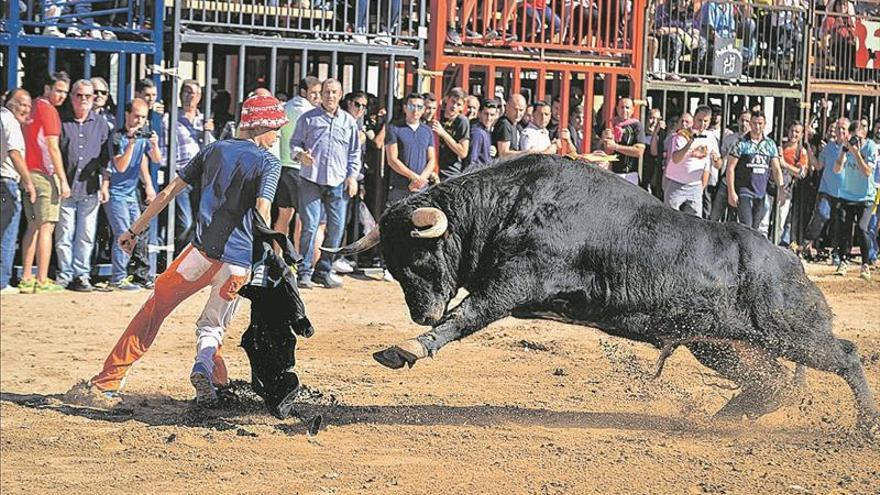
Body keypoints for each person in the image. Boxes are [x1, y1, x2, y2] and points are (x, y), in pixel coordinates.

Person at [88, 94, 287, 404]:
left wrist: (134, 230)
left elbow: (168, 191)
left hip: (199, 255)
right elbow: (263, 210)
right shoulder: (270, 163)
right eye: (277, 129)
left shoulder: (212, 150)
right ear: (262, 125)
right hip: (238, 265)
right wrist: (273, 253)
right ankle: (206, 370)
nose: (278, 137)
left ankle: (108, 380)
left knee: (155, 309)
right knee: (213, 326)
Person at [291, 79, 361, 289]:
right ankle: (304, 272)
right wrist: (300, 155)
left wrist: (352, 177)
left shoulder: (349, 122)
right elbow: (294, 143)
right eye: (326, 92)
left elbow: (354, 153)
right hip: (310, 179)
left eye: (334, 92)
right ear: (320, 95)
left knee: (337, 228)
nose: (330, 96)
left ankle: (323, 271)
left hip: (338, 181)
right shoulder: (307, 119)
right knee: (310, 227)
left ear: (340, 95)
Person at [56, 79, 110, 292]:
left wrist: (104, 185)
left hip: (90, 189)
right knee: (64, 235)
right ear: (72, 97)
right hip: (66, 187)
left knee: (86, 236)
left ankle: (81, 275)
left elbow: (106, 159)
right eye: (79, 95)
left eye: (88, 96)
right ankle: (64, 275)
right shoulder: (62, 121)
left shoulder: (101, 123)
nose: (84, 100)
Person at [20, 72, 71, 294]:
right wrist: (62, 179)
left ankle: (26, 277)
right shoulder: (48, 110)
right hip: (43, 175)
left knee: (32, 227)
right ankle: (41, 279)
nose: (61, 96)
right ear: (47, 88)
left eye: (64, 92)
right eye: (58, 90)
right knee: (46, 227)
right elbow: (52, 147)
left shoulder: (30, 106)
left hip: (27, 173)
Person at [105, 99, 161, 291]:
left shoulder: (143, 137)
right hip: (114, 193)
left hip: (130, 194)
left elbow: (155, 160)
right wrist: (131, 144)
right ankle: (117, 277)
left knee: (133, 234)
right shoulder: (117, 136)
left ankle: (124, 276)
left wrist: (154, 145)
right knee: (122, 234)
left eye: (143, 117)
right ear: (127, 114)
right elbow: (119, 167)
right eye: (136, 116)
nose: (139, 120)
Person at [162, 80, 215, 250]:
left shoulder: (204, 120)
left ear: (200, 97)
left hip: (202, 176)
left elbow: (214, 148)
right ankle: (177, 258)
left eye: (194, 93)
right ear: (179, 94)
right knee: (185, 222)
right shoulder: (170, 118)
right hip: (181, 174)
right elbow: (164, 148)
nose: (190, 96)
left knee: (201, 222)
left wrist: (208, 132)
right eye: (186, 91)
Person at [276, 76, 321, 255]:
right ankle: (297, 259)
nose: (318, 97)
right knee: (302, 219)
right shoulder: (310, 113)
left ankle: (276, 258)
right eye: (314, 93)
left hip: (282, 167)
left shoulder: (284, 108)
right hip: (300, 169)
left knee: (283, 216)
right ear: (304, 92)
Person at [130, 78, 166, 287]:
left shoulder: (153, 118)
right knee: (137, 226)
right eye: (147, 95)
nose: (151, 99)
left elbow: (156, 158)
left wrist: (155, 145)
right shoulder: (135, 116)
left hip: (141, 181)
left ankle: (141, 273)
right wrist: (148, 184)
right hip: (134, 182)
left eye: (154, 95)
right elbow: (142, 158)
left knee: (142, 226)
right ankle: (138, 273)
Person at [0, 89, 36, 295]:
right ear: (9, 102)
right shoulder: (11, 123)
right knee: (7, 234)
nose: (25, 109)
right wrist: (28, 182)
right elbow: (14, 153)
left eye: (28, 106)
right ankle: (2, 281)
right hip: (7, 183)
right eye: (21, 104)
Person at [832, 120, 877, 279]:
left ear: (864, 135)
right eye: (853, 137)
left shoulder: (871, 147)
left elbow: (867, 172)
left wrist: (856, 152)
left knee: (862, 227)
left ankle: (865, 264)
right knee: (844, 227)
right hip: (847, 194)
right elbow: (836, 169)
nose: (855, 140)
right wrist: (844, 152)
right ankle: (843, 261)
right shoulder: (846, 146)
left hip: (865, 196)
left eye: (858, 137)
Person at [726, 111, 784, 231]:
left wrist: (781, 189)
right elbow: (730, 167)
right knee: (746, 225)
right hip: (744, 190)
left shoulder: (770, 144)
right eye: (754, 123)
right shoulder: (741, 143)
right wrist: (731, 191)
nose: (757, 127)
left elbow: (776, 169)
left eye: (760, 123)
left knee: (756, 226)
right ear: (750, 124)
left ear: (765, 124)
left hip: (761, 192)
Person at [802, 117, 849, 260]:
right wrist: (809, 149)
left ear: (848, 131)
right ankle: (807, 243)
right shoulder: (828, 147)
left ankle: (837, 252)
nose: (840, 131)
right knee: (822, 214)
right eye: (838, 128)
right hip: (827, 189)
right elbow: (818, 166)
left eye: (843, 128)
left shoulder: (852, 148)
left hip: (845, 192)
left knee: (839, 222)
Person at [664, 105, 721, 217]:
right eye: (700, 120)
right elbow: (675, 159)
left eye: (706, 121)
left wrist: (716, 160)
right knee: (670, 218)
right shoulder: (682, 135)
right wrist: (689, 144)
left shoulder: (711, 138)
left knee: (695, 221)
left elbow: (718, 165)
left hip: (695, 186)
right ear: (694, 118)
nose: (702, 124)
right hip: (676, 183)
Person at [385, 93, 436, 205]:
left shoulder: (427, 131)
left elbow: (432, 159)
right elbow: (392, 160)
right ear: (405, 108)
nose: (415, 110)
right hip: (400, 188)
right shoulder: (394, 128)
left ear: (423, 110)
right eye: (411, 106)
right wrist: (413, 177)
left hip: (422, 189)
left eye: (419, 107)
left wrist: (421, 179)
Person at [710, 110, 751, 222]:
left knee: (739, 220)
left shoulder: (754, 141)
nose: (744, 123)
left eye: (747, 121)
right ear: (738, 121)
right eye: (742, 120)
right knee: (715, 215)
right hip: (726, 182)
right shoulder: (729, 139)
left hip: (744, 185)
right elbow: (722, 159)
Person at [775, 121, 810, 245]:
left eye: (797, 132)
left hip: (786, 189)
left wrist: (785, 164)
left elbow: (802, 173)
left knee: (780, 223)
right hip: (771, 186)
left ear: (801, 135)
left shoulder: (801, 151)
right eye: (792, 130)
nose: (793, 134)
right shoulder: (780, 146)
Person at [602, 98, 646, 185]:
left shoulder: (636, 126)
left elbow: (639, 151)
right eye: (622, 107)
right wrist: (602, 139)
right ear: (617, 108)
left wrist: (615, 147)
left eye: (627, 107)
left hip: (629, 175)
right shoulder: (610, 124)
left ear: (632, 110)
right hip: (609, 173)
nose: (624, 110)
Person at [432, 88, 470, 181]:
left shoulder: (462, 121)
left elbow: (463, 152)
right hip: (432, 170)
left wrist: (443, 134)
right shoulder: (437, 115)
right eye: (452, 102)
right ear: (446, 100)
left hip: (449, 173)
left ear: (462, 107)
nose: (454, 106)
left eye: (458, 104)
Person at [466, 98, 499, 169]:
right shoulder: (477, 133)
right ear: (479, 113)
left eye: (492, 115)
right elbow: (471, 161)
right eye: (486, 114)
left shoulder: (486, 131)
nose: (489, 118)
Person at [492, 93, 528, 158]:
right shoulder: (504, 124)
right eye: (515, 109)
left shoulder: (517, 125)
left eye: (521, 110)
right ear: (507, 107)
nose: (518, 113)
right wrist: (527, 153)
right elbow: (503, 153)